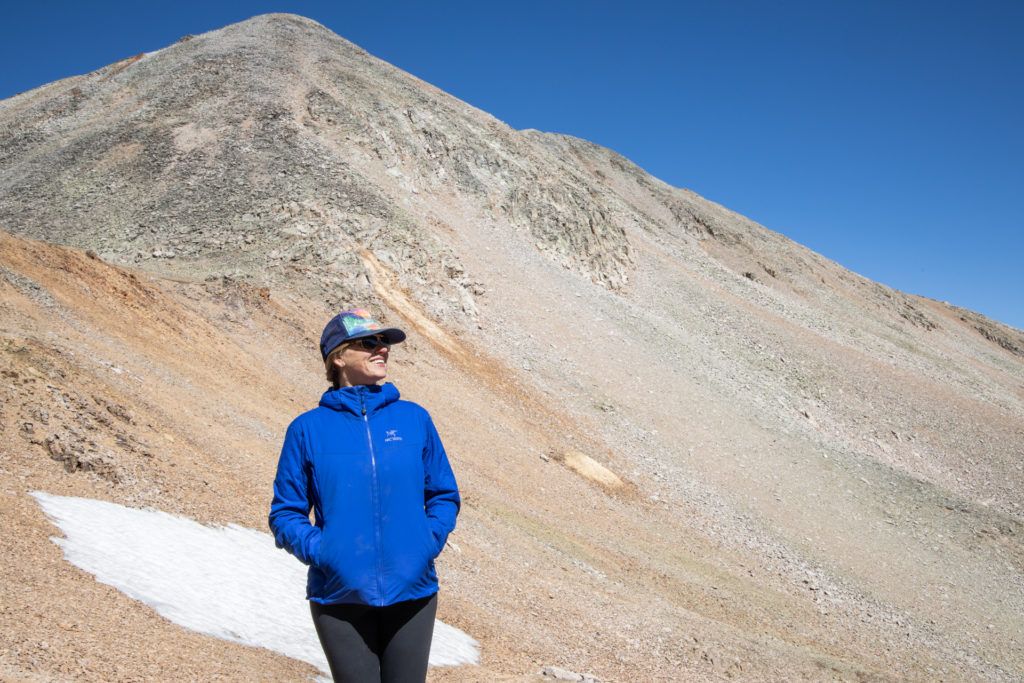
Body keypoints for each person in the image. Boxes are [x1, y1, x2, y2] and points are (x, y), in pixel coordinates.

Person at [269, 308, 460, 683]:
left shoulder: (413, 419)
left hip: (413, 593)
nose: (382, 349)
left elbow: (443, 494)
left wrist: (426, 541)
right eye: (368, 342)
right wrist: (327, 553)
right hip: (339, 599)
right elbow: (285, 514)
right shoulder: (307, 429)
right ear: (337, 356)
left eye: (384, 342)